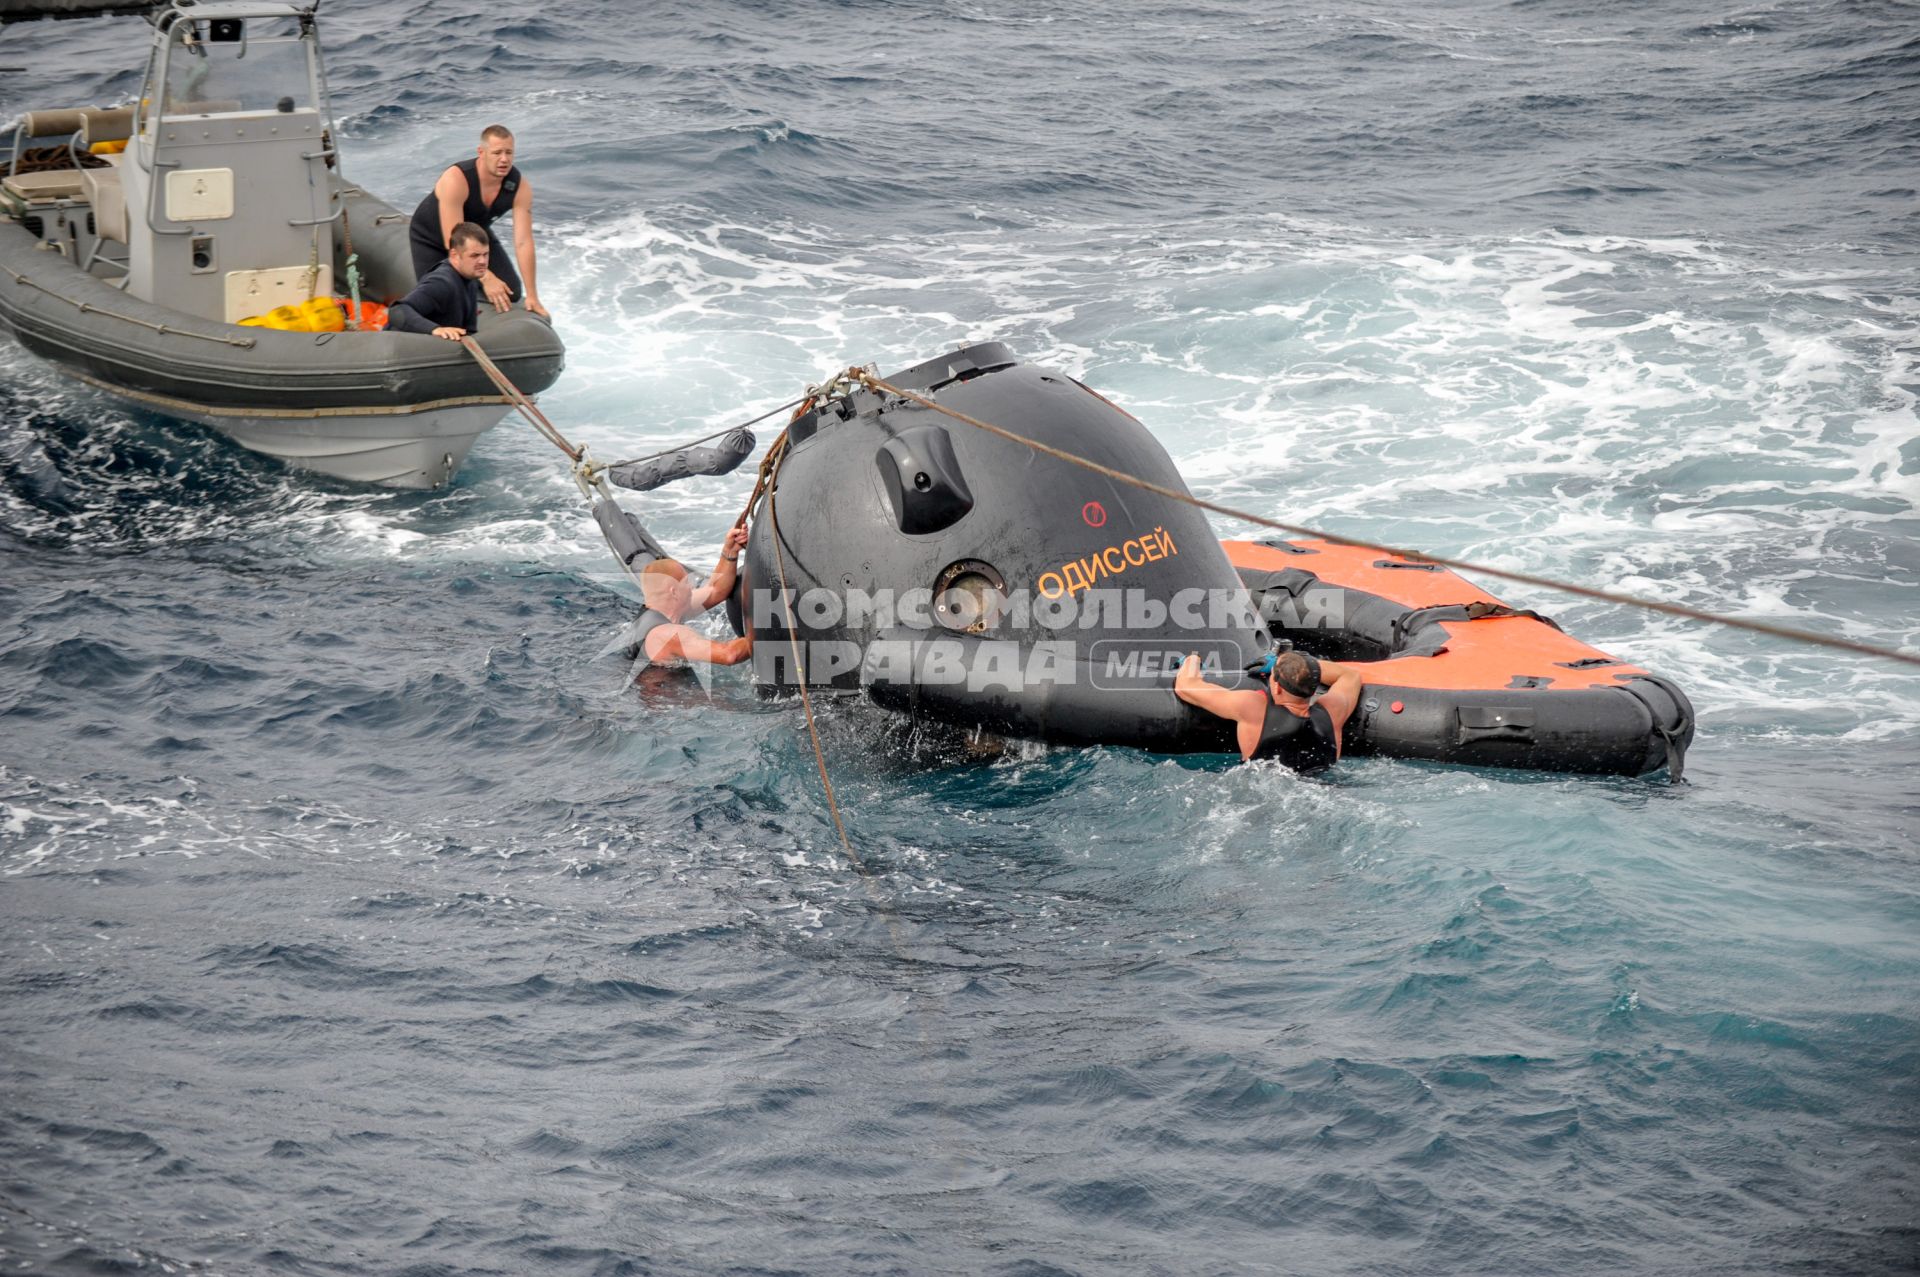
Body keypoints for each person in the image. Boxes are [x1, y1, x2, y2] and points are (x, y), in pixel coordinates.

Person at [408, 124, 549, 319]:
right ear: (481, 152)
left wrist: (533, 296)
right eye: (497, 153)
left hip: (476, 234)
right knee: (441, 297)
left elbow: (523, 242)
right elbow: (453, 240)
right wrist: (486, 277)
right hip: (433, 238)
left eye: (509, 152)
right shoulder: (457, 179)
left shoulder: (519, 186)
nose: (504, 159)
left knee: (513, 291)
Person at [1173, 649, 1365, 772]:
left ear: (1278, 687)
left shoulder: (1253, 707)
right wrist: (1299, 667)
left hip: (1263, 791)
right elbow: (1350, 676)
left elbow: (1185, 687)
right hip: (1322, 789)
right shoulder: (1333, 712)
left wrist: (1193, 659)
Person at [625, 526, 754, 670]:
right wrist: (770, 627)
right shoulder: (667, 634)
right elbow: (729, 655)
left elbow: (715, 590)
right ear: (673, 592)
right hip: (664, 690)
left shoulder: (667, 609)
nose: (692, 587)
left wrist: (730, 551)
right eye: (687, 582)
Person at [384, 222, 487, 339]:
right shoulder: (441, 283)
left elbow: (469, 330)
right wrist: (435, 329)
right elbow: (397, 311)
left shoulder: (471, 279)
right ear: (454, 255)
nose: (482, 261)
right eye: (475, 255)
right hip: (400, 346)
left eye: (485, 254)